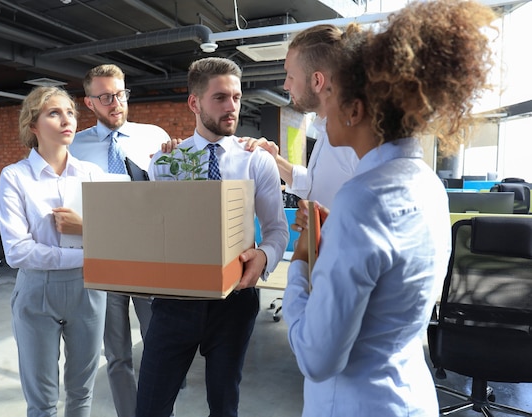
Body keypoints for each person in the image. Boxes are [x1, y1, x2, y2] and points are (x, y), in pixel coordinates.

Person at [283, 0, 497, 416]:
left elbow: (316, 358)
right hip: (408, 395)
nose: (323, 113)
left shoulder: (363, 200)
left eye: (329, 98)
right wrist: (337, 236)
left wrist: (303, 260)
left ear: (355, 109)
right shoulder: (429, 185)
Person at [136, 57, 289, 417]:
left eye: (236, 98)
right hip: (175, 299)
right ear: (195, 103)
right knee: (149, 406)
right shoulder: (165, 163)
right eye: (220, 98)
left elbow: (276, 228)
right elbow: (153, 231)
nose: (231, 107)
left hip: (233, 301)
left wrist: (265, 256)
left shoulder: (256, 161)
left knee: (224, 405)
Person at [68, 63, 173, 417]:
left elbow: (170, 195)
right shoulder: (75, 147)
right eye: (106, 97)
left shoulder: (153, 136)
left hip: (147, 257)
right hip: (102, 259)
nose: (117, 103)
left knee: (158, 344)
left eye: (121, 94)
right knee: (117, 356)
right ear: (89, 103)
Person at [0, 86, 107, 417]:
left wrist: (89, 235)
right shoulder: (15, 177)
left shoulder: (93, 175)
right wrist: (90, 255)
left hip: (88, 289)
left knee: (81, 392)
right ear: (33, 125)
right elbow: (18, 252)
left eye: (71, 113)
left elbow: (118, 237)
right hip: (37, 291)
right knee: (42, 401)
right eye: (54, 113)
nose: (67, 120)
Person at [242, 25, 359, 208]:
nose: (286, 86)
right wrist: (275, 160)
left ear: (317, 81)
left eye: (290, 76)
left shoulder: (355, 137)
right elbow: (317, 185)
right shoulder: (327, 129)